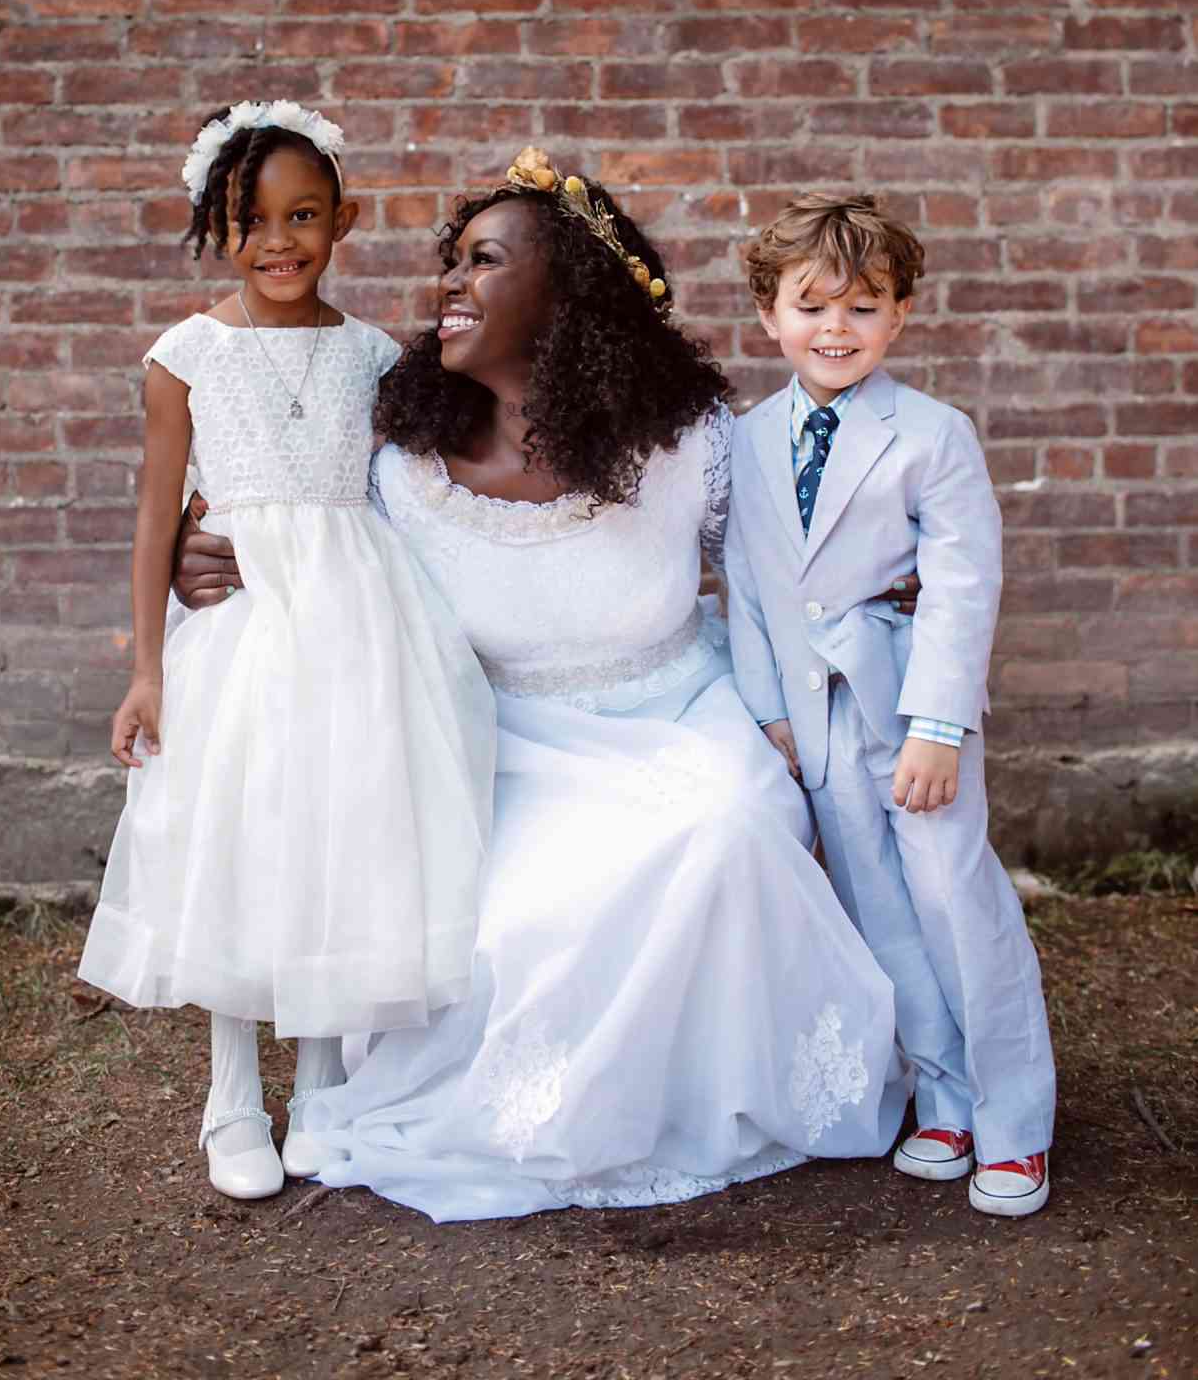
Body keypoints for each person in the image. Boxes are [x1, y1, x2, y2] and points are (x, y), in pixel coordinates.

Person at [180, 146, 910, 1223]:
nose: (450, 285)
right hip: (498, 740)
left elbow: (779, 575)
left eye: (482, 261)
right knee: (507, 922)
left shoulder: (683, 440)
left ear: (565, 291)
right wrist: (215, 559)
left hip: (675, 715)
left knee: (721, 830)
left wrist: (880, 579)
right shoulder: (399, 462)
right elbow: (286, 531)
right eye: (452, 262)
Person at [78, 101, 495, 1203]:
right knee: (245, 832)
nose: (279, 240)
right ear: (216, 227)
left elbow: (406, 486)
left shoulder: (373, 354)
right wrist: (148, 666)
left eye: (303, 214)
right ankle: (230, 1093)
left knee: (342, 828)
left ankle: (318, 1084)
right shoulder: (186, 356)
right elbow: (156, 511)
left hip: (359, 616)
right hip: (243, 620)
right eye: (252, 219)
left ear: (344, 217)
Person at [724, 192, 1056, 1219]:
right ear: (770, 316)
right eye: (812, 305)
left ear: (899, 317)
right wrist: (771, 714)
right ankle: (942, 1094)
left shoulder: (931, 434)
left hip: (908, 715)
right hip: (814, 723)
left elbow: (962, 586)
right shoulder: (744, 437)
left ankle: (1014, 1119)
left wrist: (939, 725)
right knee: (877, 915)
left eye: (863, 308)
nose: (836, 328)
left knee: (958, 906)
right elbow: (743, 579)